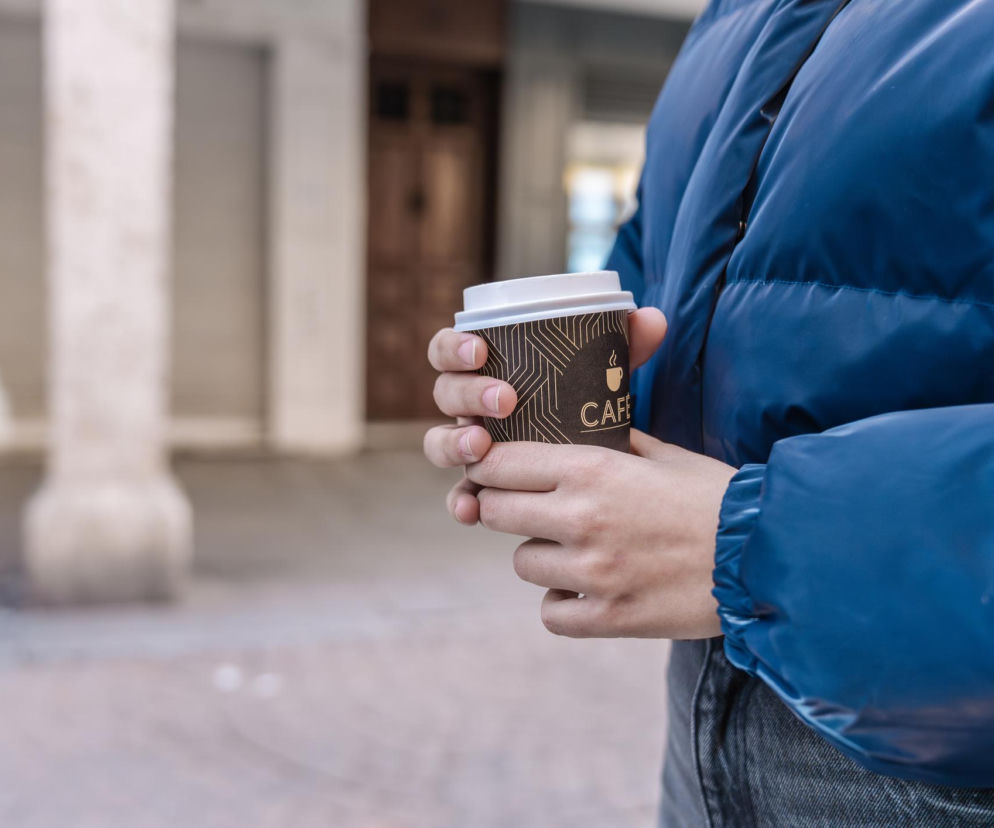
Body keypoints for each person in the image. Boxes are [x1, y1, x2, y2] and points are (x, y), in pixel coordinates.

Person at [424, 0, 994, 823]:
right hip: (710, 698)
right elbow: (662, 275)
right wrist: (544, 404)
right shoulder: (739, 14)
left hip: (943, 755)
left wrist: (756, 544)